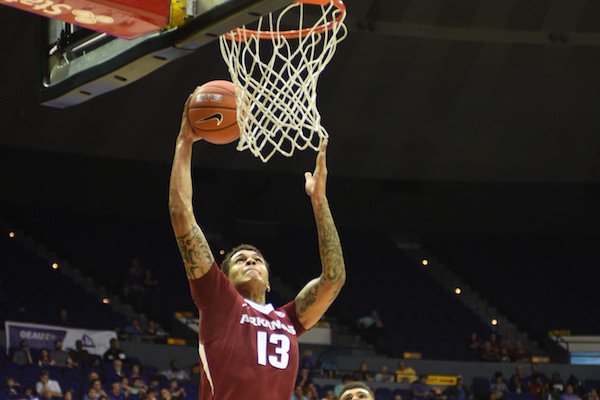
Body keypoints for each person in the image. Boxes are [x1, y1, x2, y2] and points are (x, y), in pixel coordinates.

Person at [169, 92, 346, 400]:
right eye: (239, 259)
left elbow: (334, 279)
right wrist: (185, 140)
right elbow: (182, 215)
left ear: (267, 276)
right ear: (225, 277)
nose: (250, 261)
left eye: (257, 259)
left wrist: (320, 201)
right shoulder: (220, 302)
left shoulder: (289, 319)